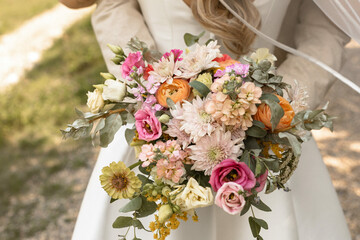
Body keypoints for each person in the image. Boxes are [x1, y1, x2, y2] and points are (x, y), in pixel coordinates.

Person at [60, 0, 352, 239]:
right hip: (157, 135)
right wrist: (151, 91)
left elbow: (326, 28)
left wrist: (273, 105)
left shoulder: (271, 110)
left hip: (267, 135)